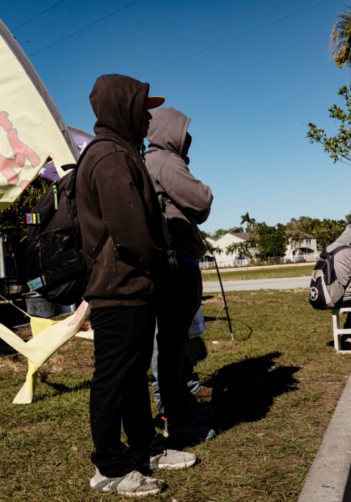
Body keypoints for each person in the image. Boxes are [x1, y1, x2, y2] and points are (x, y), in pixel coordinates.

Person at [76, 75, 196, 496]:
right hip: (119, 289)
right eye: (144, 108)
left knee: (132, 376)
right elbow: (131, 232)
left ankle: (144, 448)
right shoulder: (110, 157)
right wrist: (163, 266)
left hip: (130, 287)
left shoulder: (123, 153)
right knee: (113, 379)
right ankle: (109, 467)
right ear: (123, 109)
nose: (149, 118)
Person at [145, 107, 215, 441]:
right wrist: (206, 188)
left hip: (170, 262)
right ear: (172, 132)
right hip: (180, 263)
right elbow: (201, 202)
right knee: (171, 349)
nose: (188, 139)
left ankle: (180, 408)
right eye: (185, 132)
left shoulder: (150, 161)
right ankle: (179, 420)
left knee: (172, 345)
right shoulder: (167, 162)